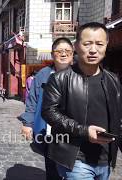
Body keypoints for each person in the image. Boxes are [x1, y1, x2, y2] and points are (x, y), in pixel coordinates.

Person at [41, 22, 122, 180]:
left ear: (106, 46)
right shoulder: (59, 79)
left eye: (99, 44)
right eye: (87, 44)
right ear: (76, 46)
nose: (93, 50)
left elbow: (118, 117)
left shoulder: (113, 80)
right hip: (75, 158)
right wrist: (84, 131)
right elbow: (49, 112)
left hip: (104, 159)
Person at [19, 37, 74, 180]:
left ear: (73, 54)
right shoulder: (43, 74)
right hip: (48, 130)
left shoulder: (79, 74)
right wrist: (27, 123)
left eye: (67, 51)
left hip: (73, 131)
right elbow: (32, 100)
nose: (63, 54)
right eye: (59, 51)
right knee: (52, 170)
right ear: (52, 54)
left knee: (73, 171)